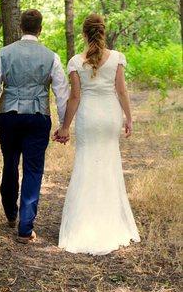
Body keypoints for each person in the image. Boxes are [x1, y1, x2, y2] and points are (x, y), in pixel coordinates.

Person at [54, 13, 141, 255]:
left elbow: (75, 97)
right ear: (103, 31)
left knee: (86, 164)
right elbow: (121, 92)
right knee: (109, 165)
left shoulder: (75, 61)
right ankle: (109, 219)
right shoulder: (116, 59)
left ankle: (84, 223)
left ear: (84, 33)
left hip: (88, 117)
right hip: (110, 115)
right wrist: (129, 118)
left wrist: (64, 127)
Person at [0, 9, 69, 244]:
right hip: (37, 118)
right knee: (33, 169)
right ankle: (24, 227)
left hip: (8, 116)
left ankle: (11, 213)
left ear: (21, 28)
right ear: (40, 29)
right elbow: (62, 93)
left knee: (9, 163)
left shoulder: (4, 53)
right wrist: (64, 125)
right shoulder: (51, 56)